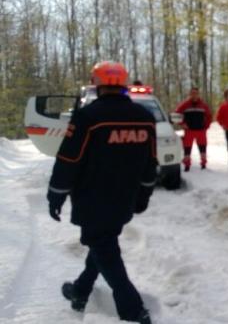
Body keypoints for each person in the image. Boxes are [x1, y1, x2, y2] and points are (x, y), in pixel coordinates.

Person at [48, 61, 156, 324]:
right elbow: (150, 163)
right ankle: (80, 290)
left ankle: (133, 310)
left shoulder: (88, 117)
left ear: (97, 84)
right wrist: (144, 194)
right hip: (125, 198)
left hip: (92, 199)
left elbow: (68, 159)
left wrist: (56, 193)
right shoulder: (145, 118)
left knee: (103, 247)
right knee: (103, 243)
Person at [175, 87, 212, 171]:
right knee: (187, 148)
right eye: (192, 93)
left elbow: (209, 116)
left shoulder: (203, 105)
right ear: (190, 94)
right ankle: (187, 164)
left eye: (196, 93)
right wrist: (182, 124)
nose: (194, 95)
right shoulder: (185, 104)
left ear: (198, 94)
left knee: (203, 147)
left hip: (201, 130)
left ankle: (203, 163)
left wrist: (207, 126)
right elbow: (176, 115)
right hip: (189, 130)